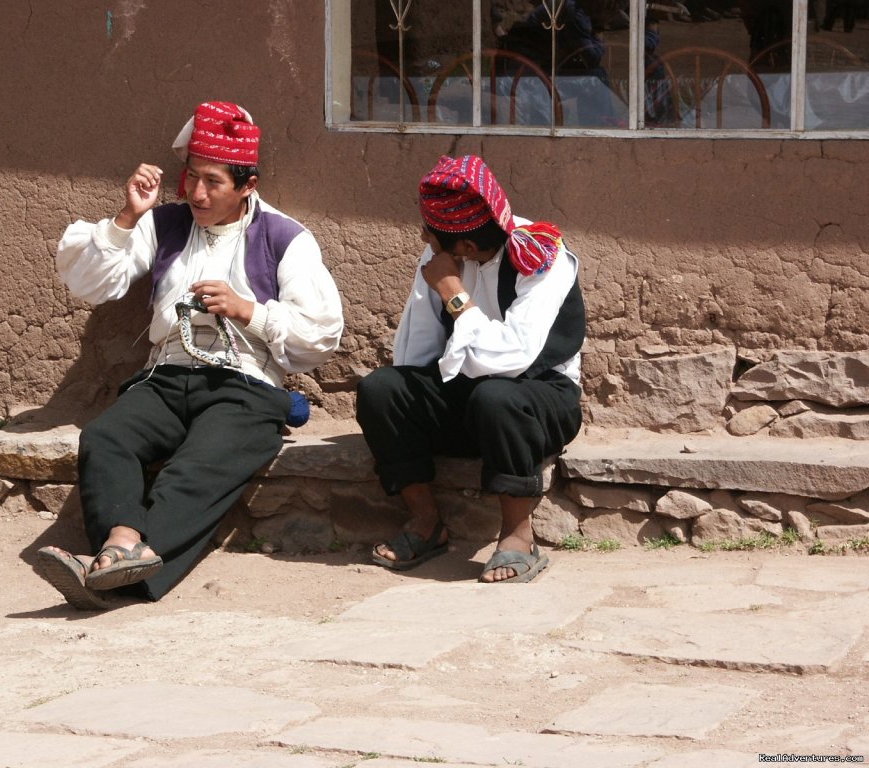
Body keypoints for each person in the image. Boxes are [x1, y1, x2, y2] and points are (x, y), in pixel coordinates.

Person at [36, 101, 344, 610]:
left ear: (247, 185)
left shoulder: (286, 238)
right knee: (107, 436)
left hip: (245, 383)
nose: (197, 193)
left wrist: (250, 311)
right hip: (166, 374)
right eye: (192, 178)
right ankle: (119, 545)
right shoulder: (164, 225)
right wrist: (126, 218)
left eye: (214, 182)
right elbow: (90, 283)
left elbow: (322, 334)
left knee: (202, 462)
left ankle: (123, 571)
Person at [355, 154, 585, 584]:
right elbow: (417, 345)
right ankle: (427, 525)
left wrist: (453, 291)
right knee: (381, 388)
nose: (424, 236)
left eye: (430, 232)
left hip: (537, 398)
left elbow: (512, 358)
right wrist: (411, 410)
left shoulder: (542, 256)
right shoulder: (439, 252)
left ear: (464, 247)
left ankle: (518, 537)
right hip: (470, 395)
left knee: (496, 395)